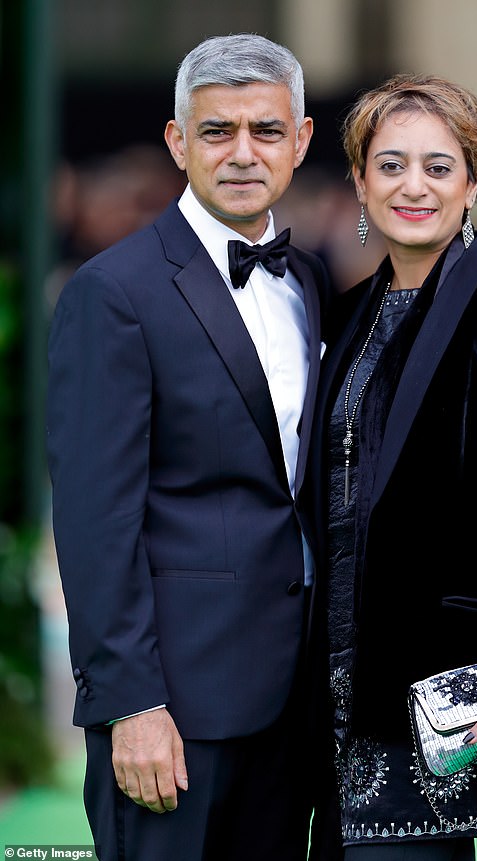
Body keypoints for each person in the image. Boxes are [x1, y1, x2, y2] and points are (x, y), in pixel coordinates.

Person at [46, 33, 334, 861]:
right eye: (217, 131)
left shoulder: (309, 281)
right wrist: (130, 704)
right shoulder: (112, 293)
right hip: (171, 715)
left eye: (266, 131)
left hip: (293, 704)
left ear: (301, 140)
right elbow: (95, 524)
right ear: (179, 142)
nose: (243, 153)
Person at [306, 74, 477, 860]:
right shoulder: (347, 310)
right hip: (332, 689)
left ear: (474, 181)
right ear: (360, 181)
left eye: (438, 165)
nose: (413, 186)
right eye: (390, 165)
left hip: (438, 685)